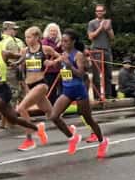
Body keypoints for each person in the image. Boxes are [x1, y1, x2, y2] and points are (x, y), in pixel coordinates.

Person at [0, 29, 47, 165]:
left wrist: (18, 63)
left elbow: (23, 55)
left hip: (3, 91)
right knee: (13, 119)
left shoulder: (4, 54)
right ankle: (37, 129)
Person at [15, 26, 82, 154]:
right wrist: (16, 66)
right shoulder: (24, 50)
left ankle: (30, 139)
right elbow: (21, 64)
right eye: (25, 37)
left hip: (41, 84)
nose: (26, 39)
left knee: (21, 109)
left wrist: (52, 63)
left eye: (29, 37)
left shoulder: (45, 49)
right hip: (30, 85)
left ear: (36, 37)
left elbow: (61, 57)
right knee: (51, 115)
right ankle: (71, 134)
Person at [50, 29, 108, 158]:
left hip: (79, 90)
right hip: (67, 91)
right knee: (54, 116)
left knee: (88, 118)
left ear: (73, 42)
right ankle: (72, 137)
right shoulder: (64, 54)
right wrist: (52, 63)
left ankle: (102, 141)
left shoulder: (78, 55)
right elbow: (61, 66)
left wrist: (69, 65)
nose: (63, 44)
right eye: (62, 41)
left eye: (66, 41)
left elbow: (81, 74)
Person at [0, 21, 26, 129]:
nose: (16, 31)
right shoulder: (11, 41)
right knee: (13, 95)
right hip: (11, 70)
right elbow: (17, 58)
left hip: (0, 71)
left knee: (5, 95)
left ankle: (3, 121)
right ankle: (10, 121)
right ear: (8, 29)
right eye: (14, 29)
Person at [87, 4, 115, 99]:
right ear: (96, 12)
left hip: (107, 49)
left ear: (104, 12)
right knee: (96, 75)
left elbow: (112, 37)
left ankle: (108, 94)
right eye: (97, 11)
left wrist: (108, 29)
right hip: (96, 50)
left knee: (108, 74)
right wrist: (100, 27)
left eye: (101, 11)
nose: (99, 12)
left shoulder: (108, 22)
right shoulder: (92, 23)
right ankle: (97, 95)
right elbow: (91, 37)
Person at [42, 23, 63, 104]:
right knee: (51, 89)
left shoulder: (60, 41)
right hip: (49, 70)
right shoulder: (44, 41)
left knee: (62, 88)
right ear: (48, 32)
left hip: (59, 69)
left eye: (55, 31)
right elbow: (46, 52)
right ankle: (50, 106)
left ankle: (60, 105)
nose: (53, 33)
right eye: (51, 31)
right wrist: (57, 47)